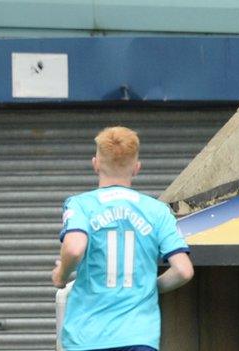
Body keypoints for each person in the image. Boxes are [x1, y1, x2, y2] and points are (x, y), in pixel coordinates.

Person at [52, 126, 194, 351]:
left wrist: (60, 275)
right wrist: (150, 286)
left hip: (87, 337)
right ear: (137, 168)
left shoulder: (81, 205)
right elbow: (184, 271)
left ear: (96, 164)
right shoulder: (157, 211)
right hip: (138, 336)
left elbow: (74, 248)